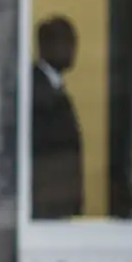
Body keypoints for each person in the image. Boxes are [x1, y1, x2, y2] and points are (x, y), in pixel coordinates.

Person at [32, 16, 85, 219]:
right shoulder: (38, 91)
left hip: (58, 205)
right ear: (46, 47)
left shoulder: (53, 88)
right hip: (47, 205)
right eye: (67, 42)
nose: (73, 50)